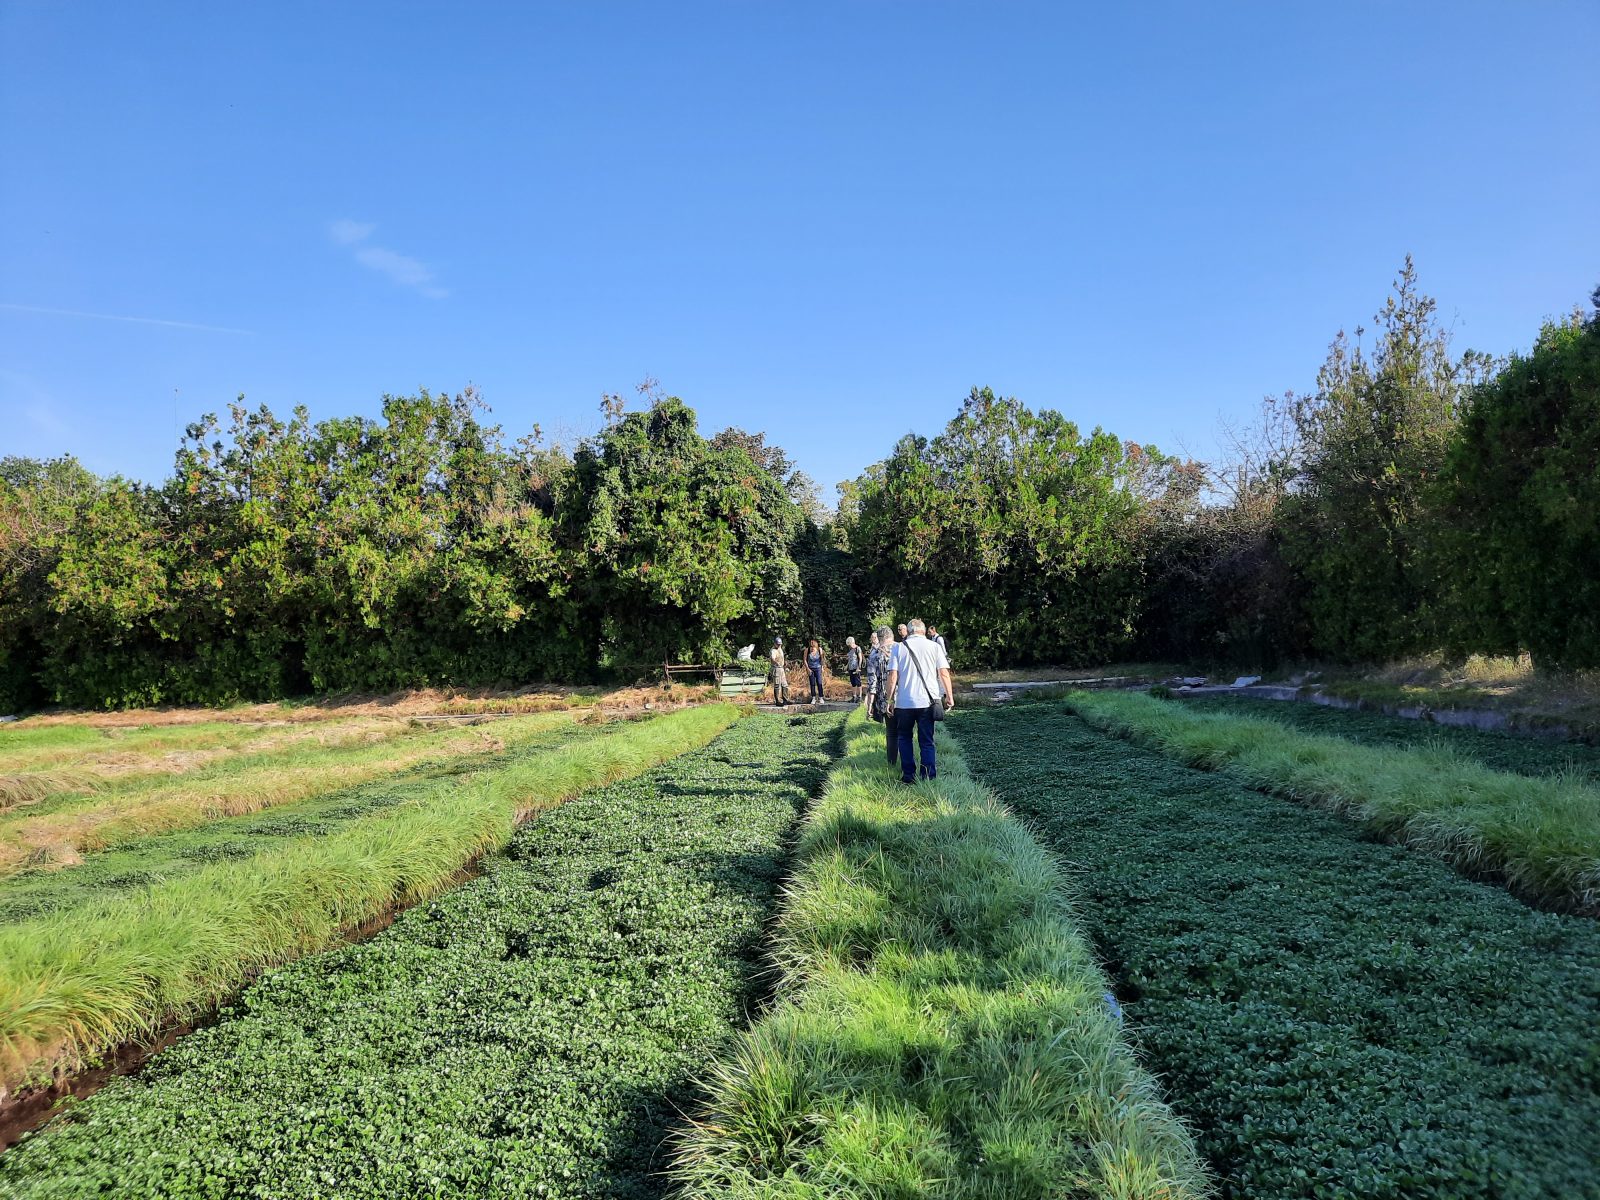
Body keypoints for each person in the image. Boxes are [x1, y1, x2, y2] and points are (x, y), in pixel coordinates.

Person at [885, 618, 954, 784]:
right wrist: (949, 696)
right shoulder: (934, 647)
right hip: (927, 702)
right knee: (927, 741)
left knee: (904, 738)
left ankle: (909, 776)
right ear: (923, 631)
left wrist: (889, 700)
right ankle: (928, 776)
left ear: (908, 632)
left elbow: (893, 676)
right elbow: (943, 673)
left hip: (904, 702)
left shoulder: (898, 648)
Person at [871, 626, 897, 766]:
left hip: (885, 699)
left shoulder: (875, 655)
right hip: (905, 697)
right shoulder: (902, 648)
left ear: (879, 638)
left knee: (892, 732)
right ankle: (908, 765)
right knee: (906, 733)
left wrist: (870, 704)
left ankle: (892, 763)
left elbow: (872, 683)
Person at [768, 637, 789, 706]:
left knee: (785, 684)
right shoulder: (773, 650)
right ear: (775, 644)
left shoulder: (780, 649)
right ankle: (777, 701)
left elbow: (782, 657)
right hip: (776, 668)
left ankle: (785, 700)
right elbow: (772, 658)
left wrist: (784, 662)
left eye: (780, 644)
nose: (779, 645)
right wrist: (775, 662)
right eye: (778, 644)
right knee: (777, 685)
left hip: (781, 668)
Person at [805, 638, 824, 704]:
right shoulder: (807, 650)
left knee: (819, 682)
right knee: (812, 683)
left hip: (818, 668)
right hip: (811, 668)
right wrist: (807, 668)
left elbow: (822, 659)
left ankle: (821, 697)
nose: (812, 647)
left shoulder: (819, 649)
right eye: (811, 645)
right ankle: (813, 697)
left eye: (813, 645)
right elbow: (804, 660)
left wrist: (822, 667)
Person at [844, 636, 863, 702]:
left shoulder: (858, 648)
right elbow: (849, 659)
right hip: (851, 668)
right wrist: (847, 666)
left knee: (858, 682)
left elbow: (860, 658)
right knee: (853, 682)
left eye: (850, 644)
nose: (850, 646)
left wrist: (859, 667)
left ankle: (860, 696)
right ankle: (854, 696)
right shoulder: (850, 649)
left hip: (856, 668)